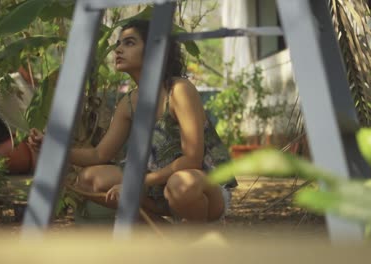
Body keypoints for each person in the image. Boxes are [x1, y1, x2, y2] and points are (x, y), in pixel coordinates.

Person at [28, 19, 237, 223]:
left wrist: (134, 183)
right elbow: (99, 154)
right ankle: (166, 232)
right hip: (157, 192)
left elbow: (192, 160)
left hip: (201, 190)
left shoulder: (178, 90)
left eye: (129, 43)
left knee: (180, 183)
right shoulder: (128, 103)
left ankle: (197, 230)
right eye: (119, 44)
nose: (118, 50)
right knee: (88, 179)